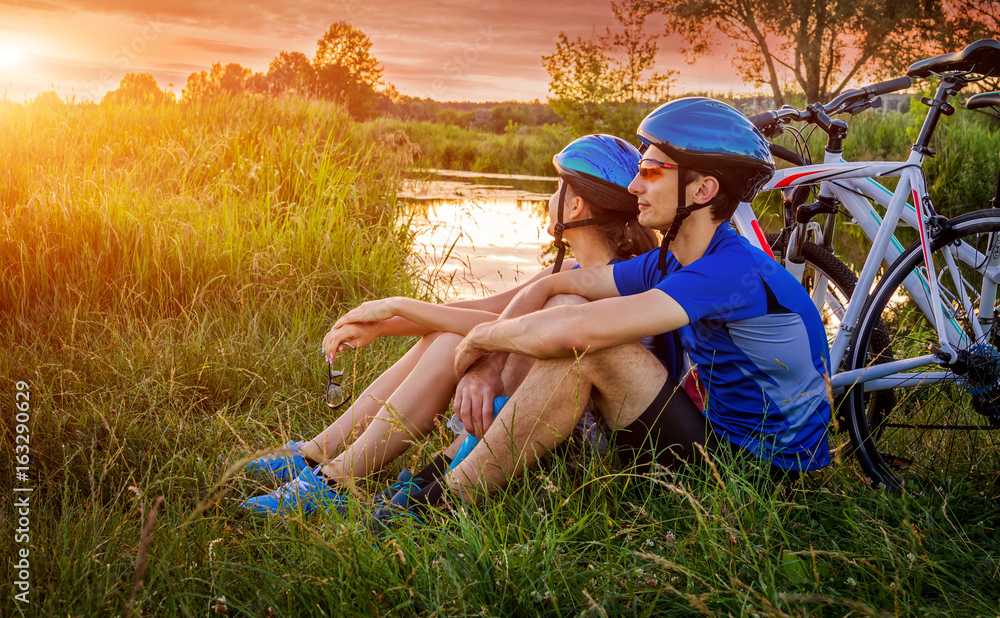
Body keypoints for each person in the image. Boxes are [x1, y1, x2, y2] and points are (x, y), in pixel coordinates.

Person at [377, 98, 833, 519]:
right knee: (574, 332)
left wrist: (482, 338)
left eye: (652, 172)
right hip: (720, 444)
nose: (634, 184)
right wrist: (493, 360)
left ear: (702, 190)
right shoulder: (670, 260)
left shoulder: (729, 271)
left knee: (595, 349)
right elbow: (565, 281)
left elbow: (577, 331)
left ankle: (432, 506)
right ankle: (432, 484)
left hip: (764, 479)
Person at [239, 134, 664, 515]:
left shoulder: (614, 282)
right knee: (447, 336)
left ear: (575, 205)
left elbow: (497, 325)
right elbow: (486, 308)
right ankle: (317, 456)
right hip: (530, 418)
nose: (552, 195)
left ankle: (333, 480)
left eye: (558, 186)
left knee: (451, 340)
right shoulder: (570, 267)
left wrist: (397, 304)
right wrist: (382, 323)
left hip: (570, 436)